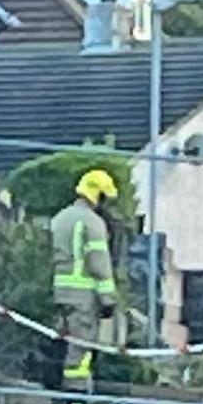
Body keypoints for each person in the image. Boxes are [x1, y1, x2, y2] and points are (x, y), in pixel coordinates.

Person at [49, 167, 125, 392]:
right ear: (98, 195)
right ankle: (77, 396)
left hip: (60, 293)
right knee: (81, 348)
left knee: (66, 344)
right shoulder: (93, 223)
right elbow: (98, 264)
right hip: (84, 297)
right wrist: (108, 299)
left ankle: (66, 391)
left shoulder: (60, 218)